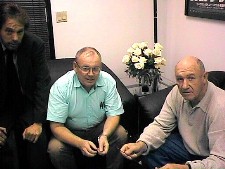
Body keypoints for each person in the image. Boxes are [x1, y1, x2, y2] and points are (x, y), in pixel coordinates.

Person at [120, 56, 225, 169]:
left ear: (204, 77)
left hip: (210, 155)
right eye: (180, 79)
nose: (184, 86)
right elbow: (162, 125)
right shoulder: (177, 92)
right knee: (148, 151)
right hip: (186, 146)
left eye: (191, 78)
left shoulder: (220, 106)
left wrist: (187, 167)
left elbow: (220, 160)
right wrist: (141, 144)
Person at [47, 47, 128, 169]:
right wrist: (80, 143)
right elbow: (56, 126)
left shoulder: (107, 81)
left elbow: (114, 114)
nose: (91, 74)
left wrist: (105, 135)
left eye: (95, 69)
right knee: (55, 148)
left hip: (98, 128)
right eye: (85, 68)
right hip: (70, 131)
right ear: (75, 66)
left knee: (120, 133)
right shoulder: (61, 86)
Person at [0, 2, 51, 169]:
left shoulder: (34, 44)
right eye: (9, 31)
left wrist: (38, 122)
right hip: (2, 109)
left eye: (20, 32)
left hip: (26, 106)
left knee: (38, 143)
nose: (15, 38)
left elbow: (42, 84)